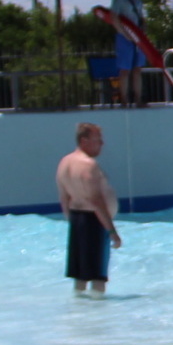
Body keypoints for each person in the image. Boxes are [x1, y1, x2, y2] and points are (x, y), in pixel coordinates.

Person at [55, 122, 122, 293]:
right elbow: (96, 200)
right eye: (97, 140)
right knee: (98, 278)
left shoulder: (65, 162)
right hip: (94, 222)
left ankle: (79, 315)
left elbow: (64, 198)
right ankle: (98, 316)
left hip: (76, 220)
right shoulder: (88, 165)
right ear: (84, 141)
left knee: (80, 277)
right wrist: (112, 231)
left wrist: (73, 223)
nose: (102, 143)